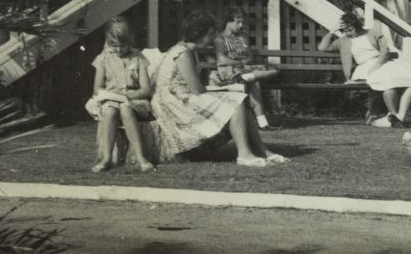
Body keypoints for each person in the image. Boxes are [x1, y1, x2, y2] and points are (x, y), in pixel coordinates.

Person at [151, 10, 288, 167]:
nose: (211, 38)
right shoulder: (182, 53)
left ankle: (261, 150)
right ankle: (244, 154)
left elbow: (195, 89)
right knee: (235, 101)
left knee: (238, 97)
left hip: (183, 96)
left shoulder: (189, 51)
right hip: (174, 102)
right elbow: (196, 89)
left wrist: (228, 90)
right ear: (198, 34)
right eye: (210, 34)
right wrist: (227, 90)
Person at [318, 8, 411, 128]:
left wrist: (377, 65)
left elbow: (384, 50)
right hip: (364, 68)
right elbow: (322, 47)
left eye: (350, 29)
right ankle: (394, 116)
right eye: (344, 30)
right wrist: (332, 30)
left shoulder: (372, 33)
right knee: (388, 83)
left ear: (357, 25)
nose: (348, 32)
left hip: (382, 63)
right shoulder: (343, 41)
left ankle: (399, 117)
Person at [86, 16, 156, 173]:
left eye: (122, 46)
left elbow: (145, 89)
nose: (118, 50)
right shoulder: (103, 58)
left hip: (136, 102)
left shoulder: (138, 58)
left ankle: (140, 157)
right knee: (110, 110)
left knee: (125, 108)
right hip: (111, 100)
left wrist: (129, 95)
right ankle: (106, 158)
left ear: (130, 40)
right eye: (114, 45)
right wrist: (112, 95)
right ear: (108, 42)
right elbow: (97, 89)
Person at [212, 7, 279, 130]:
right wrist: (240, 61)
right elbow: (222, 59)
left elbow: (249, 56)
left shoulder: (242, 37)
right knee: (255, 84)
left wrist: (244, 60)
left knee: (274, 69)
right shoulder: (220, 38)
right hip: (229, 71)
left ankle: (247, 77)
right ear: (229, 22)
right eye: (238, 22)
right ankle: (262, 123)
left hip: (244, 69)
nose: (241, 25)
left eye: (242, 22)